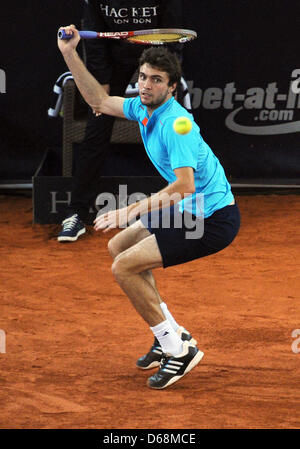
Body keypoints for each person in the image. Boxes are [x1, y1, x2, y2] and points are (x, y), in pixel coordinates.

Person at [57, 25, 240, 389]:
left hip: (210, 219)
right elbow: (98, 101)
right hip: (189, 208)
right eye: (142, 77)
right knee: (118, 246)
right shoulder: (144, 110)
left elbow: (185, 185)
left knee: (123, 267)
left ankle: (177, 349)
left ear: (172, 88)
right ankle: (171, 333)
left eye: (156, 80)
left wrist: (128, 211)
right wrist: (69, 52)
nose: (145, 85)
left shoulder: (178, 124)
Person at [58, 0, 183, 242]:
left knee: (169, 132)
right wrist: (101, 80)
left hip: (156, 61)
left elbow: (172, 36)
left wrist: (165, 81)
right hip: (113, 61)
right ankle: (76, 212)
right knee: (97, 128)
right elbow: (95, 40)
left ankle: (179, 210)